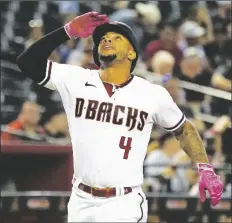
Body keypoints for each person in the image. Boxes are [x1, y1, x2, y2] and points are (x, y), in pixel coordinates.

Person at [16, 12, 223, 222]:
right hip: (80, 200)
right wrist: (67, 31)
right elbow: (27, 62)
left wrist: (204, 166)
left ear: (132, 53)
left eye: (117, 38)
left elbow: (183, 128)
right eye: (103, 38)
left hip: (122, 203)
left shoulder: (152, 93)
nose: (107, 40)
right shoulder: (76, 79)